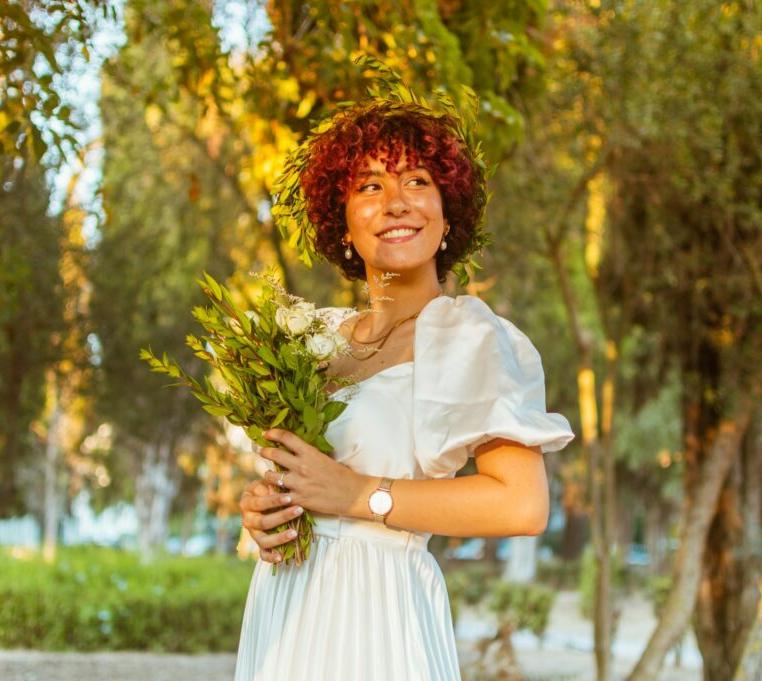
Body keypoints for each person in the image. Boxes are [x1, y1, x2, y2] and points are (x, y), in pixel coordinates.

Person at [233, 93, 575, 681]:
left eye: (416, 181)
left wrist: (359, 495)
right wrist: (266, 509)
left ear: (448, 217)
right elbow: (306, 480)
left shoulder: (469, 336)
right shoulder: (313, 339)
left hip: (379, 617)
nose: (394, 203)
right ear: (342, 222)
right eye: (368, 186)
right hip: (284, 608)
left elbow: (522, 504)